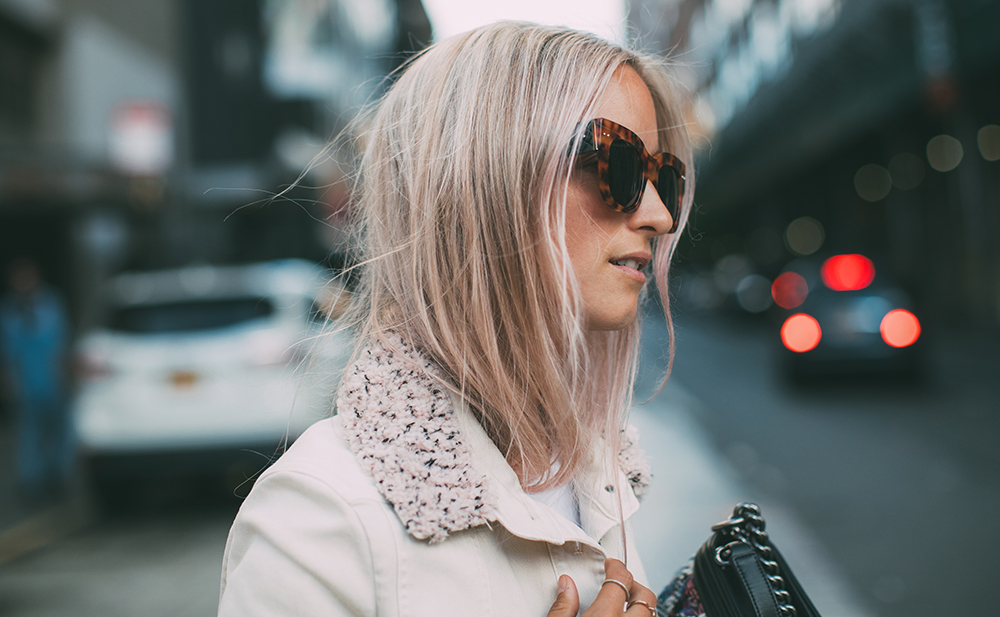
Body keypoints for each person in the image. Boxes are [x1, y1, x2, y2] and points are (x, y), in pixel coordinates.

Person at [218, 21, 693, 617]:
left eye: (662, 177)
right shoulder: (317, 521)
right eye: (619, 165)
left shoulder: (597, 472)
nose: (658, 215)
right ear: (483, 182)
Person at [0, 258, 74, 499]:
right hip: (26, 382)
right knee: (29, 434)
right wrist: (8, 378)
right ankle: (32, 482)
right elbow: (8, 349)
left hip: (52, 378)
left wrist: (66, 372)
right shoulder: (9, 309)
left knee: (58, 431)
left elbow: (62, 341)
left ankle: (59, 477)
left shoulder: (52, 303)